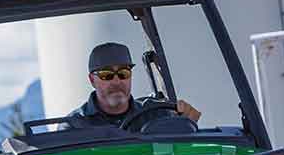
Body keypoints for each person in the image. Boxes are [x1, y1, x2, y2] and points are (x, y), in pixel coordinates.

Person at [61, 42, 201, 129]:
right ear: (92, 80)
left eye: (123, 73)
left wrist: (187, 120)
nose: (116, 81)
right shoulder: (74, 126)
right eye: (107, 75)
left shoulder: (157, 113)